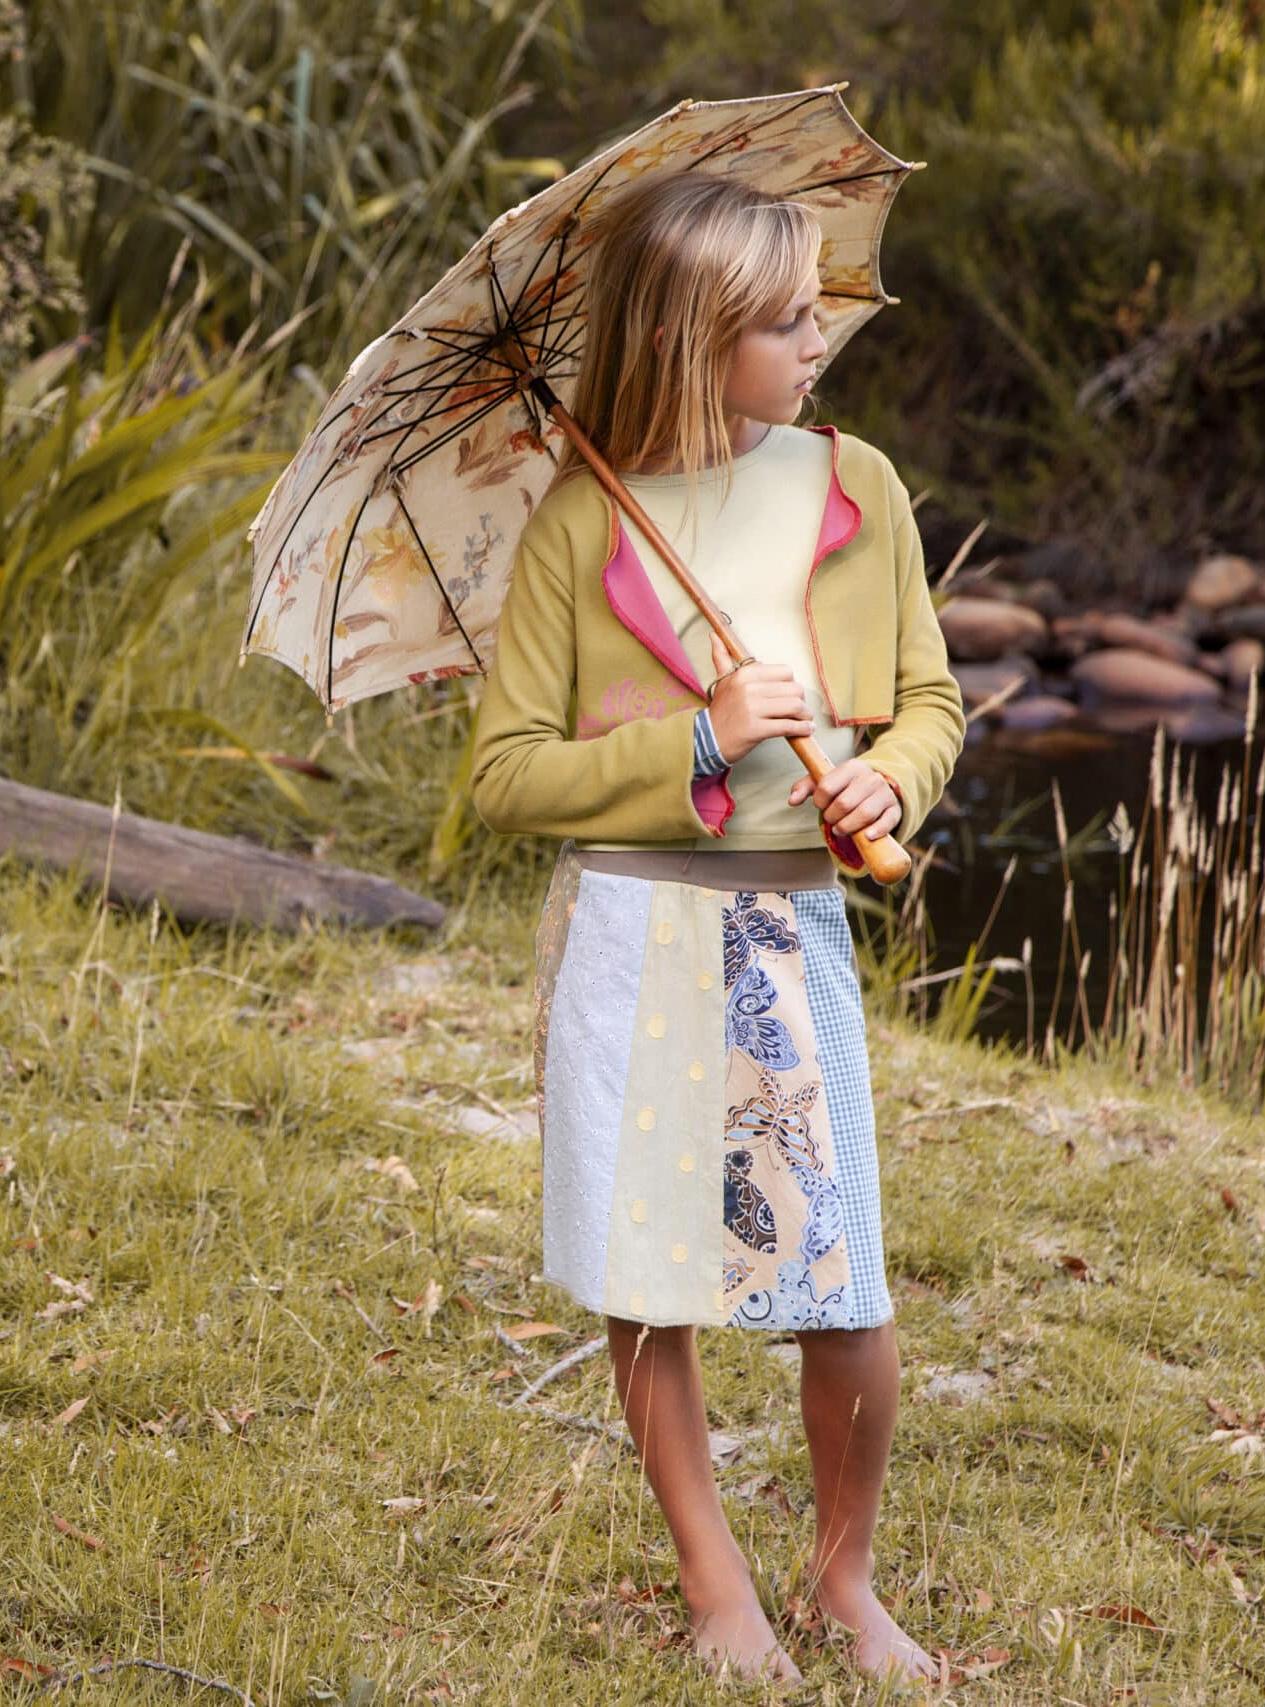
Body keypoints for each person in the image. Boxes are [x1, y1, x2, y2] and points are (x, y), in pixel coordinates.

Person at [467, 170, 967, 1685]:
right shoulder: (581, 524)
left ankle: (844, 1578)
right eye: (779, 322)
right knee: (651, 1270)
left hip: (790, 930)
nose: (814, 339)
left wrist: (885, 776)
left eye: (814, 308)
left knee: (841, 1278)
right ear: (694, 340)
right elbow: (501, 779)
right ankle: (716, 1582)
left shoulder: (854, 486)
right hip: (635, 933)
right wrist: (696, 734)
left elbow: (932, 700)